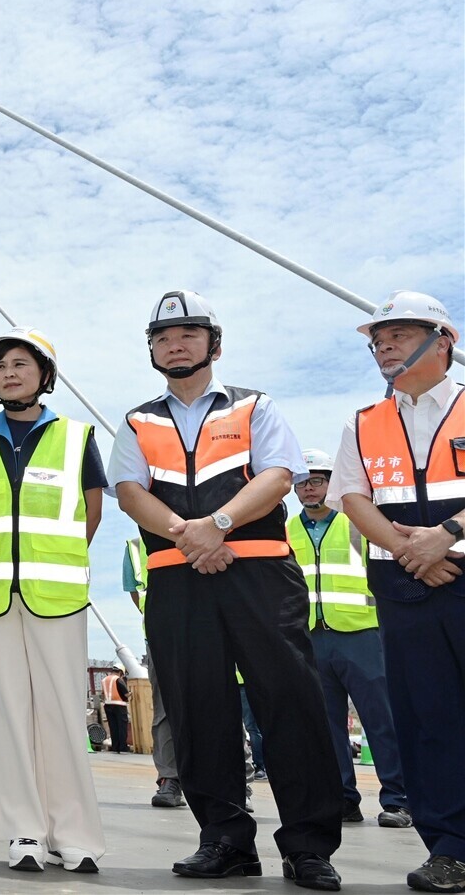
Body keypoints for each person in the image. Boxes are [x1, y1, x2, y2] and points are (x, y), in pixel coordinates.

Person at [112, 289, 343, 891]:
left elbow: (277, 475)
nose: (174, 344)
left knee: (288, 702)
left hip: (260, 573)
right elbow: (130, 491)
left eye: (187, 334)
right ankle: (224, 840)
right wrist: (188, 537)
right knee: (197, 709)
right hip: (175, 576)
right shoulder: (139, 420)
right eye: (162, 338)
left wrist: (215, 527)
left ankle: (309, 846)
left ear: (213, 344)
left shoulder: (253, 407)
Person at [0, 327, 108, 873]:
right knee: (4, 715)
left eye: (21, 364)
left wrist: (51, 562)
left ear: (45, 376)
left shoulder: (76, 436)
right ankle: (24, 832)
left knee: (63, 713)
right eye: (0, 367)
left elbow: (91, 514)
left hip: (57, 593)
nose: (10, 373)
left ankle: (75, 834)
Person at [327, 290, 464, 893]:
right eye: (377, 339)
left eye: (399, 334)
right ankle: (450, 848)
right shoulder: (363, 422)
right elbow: (353, 496)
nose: (383, 345)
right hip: (404, 585)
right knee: (425, 719)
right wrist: (411, 549)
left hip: (457, 566)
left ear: (444, 341)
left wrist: (449, 535)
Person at [290, 447, 409, 828]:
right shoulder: (286, 530)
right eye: (302, 483)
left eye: (317, 481)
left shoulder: (356, 523)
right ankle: (343, 799)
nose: (309, 489)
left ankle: (398, 799)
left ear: (332, 483)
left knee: (381, 719)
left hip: (361, 633)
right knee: (326, 727)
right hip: (311, 637)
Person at [124, 537, 183, 807]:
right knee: (164, 711)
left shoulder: (203, 518)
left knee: (220, 703)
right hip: (159, 636)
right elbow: (137, 595)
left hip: (210, 628)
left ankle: (239, 784)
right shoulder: (135, 548)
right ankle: (170, 779)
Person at [104, 666, 131, 754]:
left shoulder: (105, 680)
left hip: (108, 705)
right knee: (122, 727)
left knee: (113, 727)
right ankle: (123, 747)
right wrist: (132, 693)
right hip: (119, 705)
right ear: (120, 672)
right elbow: (126, 694)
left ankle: (115, 747)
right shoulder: (118, 679)